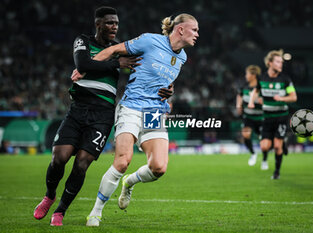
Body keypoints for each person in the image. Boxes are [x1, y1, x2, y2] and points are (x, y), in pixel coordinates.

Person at [33, 6, 172, 226]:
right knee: (58, 158)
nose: (114, 27)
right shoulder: (84, 41)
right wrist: (116, 64)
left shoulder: (123, 49)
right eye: (109, 23)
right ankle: (50, 195)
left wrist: (169, 88)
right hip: (78, 109)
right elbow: (83, 64)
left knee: (81, 164)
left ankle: (61, 211)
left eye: (116, 23)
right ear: (98, 23)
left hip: (104, 114)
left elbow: (153, 69)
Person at [85, 13, 199, 227]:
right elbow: (112, 50)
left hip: (155, 112)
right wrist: (85, 67)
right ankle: (96, 212)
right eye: (195, 29)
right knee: (122, 161)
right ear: (181, 29)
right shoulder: (149, 40)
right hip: (132, 107)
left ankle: (129, 183)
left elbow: (165, 81)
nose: (197, 34)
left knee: (159, 167)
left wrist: (170, 91)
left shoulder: (181, 56)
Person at [248, 49, 297, 179]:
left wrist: (282, 99)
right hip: (267, 118)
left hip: (281, 117)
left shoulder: (285, 79)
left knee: (276, 146)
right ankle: (282, 142)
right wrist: (252, 102)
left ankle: (276, 172)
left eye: (281, 62)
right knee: (264, 147)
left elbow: (293, 97)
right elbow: (255, 91)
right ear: (270, 63)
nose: (280, 64)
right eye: (278, 62)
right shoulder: (262, 78)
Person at [236, 65, 263, 167]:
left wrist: (261, 102)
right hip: (248, 117)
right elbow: (239, 95)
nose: (246, 76)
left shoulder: (261, 87)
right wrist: (238, 105)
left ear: (253, 75)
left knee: (265, 141)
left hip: (261, 117)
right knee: (245, 135)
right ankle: (253, 153)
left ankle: (264, 159)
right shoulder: (244, 86)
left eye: (247, 73)